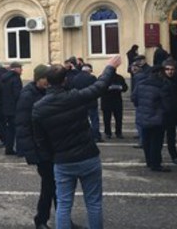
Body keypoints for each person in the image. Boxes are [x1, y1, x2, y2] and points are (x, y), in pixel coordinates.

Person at [32, 55, 121, 229]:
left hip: (63, 160)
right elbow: (99, 86)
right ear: (65, 80)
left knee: (64, 204)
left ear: (47, 82)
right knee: (94, 203)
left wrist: (53, 156)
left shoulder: (39, 107)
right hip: (88, 156)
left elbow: (40, 140)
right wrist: (110, 66)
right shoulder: (75, 97)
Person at [15, 64, 53, 229]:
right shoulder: (28, 95)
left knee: (57, 186)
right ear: (39, 78)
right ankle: (41, 220)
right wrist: (31, 153)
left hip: (53, 146)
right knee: (49, 186)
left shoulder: (47, 92)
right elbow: (23, 126)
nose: (49, 82)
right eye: (46, 79)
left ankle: (63, 219)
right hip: (41, 150)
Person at [132, 66, 172, 172]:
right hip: (157, 118)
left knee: (146, 140)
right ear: (160, 73)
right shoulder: (162, 85)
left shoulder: (141, 83)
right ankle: (156, 164)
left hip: (143, 116)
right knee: (156, 142)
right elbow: (166, 104)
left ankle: (149, 161)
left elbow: (134, 98)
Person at [71, 64, 102, 142]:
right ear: (89, 70)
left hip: (80, 102)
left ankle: (82, 136)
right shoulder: (92, 78)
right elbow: (97, 89)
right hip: (91, 102)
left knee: (81, 120)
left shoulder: (75, 78)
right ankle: (96, 136)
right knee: (94, 120)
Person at [162, 60, 177, 166]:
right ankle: (174, 156)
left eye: (172, 69)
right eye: (167, 69)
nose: (170, 72)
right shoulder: (162, 81)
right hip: (168, 114)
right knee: (171, 137)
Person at [1, 61, 23, 155]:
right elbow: (17, 94)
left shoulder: (5, 78)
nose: (22, 70)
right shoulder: (16, 78)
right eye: (20, 68)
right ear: (15, 68)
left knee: (10, 129)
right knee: (18, 129)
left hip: (6, 107)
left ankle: (8, 148)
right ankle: (20, 150)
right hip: (15, 108)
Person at [101, 69, 128, 140]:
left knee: (111, 118)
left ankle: (110, 133)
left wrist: (119, 88)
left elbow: (125, 88)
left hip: (110, 101)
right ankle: (115, 133)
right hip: (113, 101)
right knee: (114, 118)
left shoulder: (103, 77)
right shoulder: (119, 77)